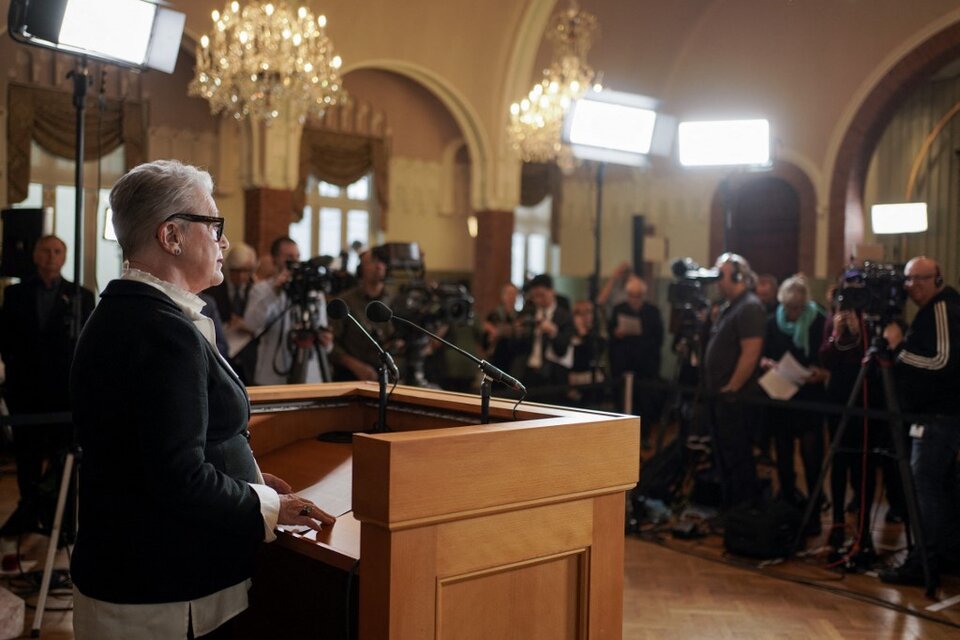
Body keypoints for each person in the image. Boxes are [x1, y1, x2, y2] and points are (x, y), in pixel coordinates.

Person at [69, 159, 334, 640]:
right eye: (214, 226)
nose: (223, 242)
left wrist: (248, 477)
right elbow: (178, 476)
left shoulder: (127, 311)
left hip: (136, 570)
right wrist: (268, 506)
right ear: (171, 236)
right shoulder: (161, 331)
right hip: (164, 590)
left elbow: (155, 444)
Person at [0, 235, 94, 539]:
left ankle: (61, 519)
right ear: (35, 254)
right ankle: (28, 512)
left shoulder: (80, 295)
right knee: (27, 457)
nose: (51, 257)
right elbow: (6, 339)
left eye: (57, 251)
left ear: (64, 257)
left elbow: (85, 344)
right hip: (24, 390)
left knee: (61, 458)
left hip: (62, 393)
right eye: (46, 251)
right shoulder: (15, 294)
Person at [879, 256, 960, 587]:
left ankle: (925, 561)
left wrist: (897, 349)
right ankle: (940, 555)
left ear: (937, 279)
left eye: (920, 279)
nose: (913, 287)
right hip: (932, 415)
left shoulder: (943, 309)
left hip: (937, 418)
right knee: (934, 489)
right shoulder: (931, 310)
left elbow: (942, 361)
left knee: (925, 488)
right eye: (908, 280)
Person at [759, 275, 827, 531]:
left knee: (811, 459)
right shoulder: (773, 322)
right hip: (782, 396)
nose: (792, 313)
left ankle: (814, 514)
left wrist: (818, 372)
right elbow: (765, 354)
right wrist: (767, 364)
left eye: (797, 308)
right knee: (784, 457)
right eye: (788, 307)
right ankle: (787, 508)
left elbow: (825, 357)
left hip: (810, 397)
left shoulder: (818, 320)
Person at [702, 253, 766, 508]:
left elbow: (750, 353)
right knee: (724, 455)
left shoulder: (749, 306)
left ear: (738, 276)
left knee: (737, 455)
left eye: (722, 274)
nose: (717, 280)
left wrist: (732, 388)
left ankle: (743, 508)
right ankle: (731, 507)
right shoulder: (731, 305)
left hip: (734, 398)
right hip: (721, 395)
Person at [244, 237, 332, 385]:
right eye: (289, 257)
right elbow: (251, 324)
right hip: (272, 378)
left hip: (310, 379)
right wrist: (275, 292)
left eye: (297, 256)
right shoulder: (262, 290)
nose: (295, 262)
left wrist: (327, 342)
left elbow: (323, 333)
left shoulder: (314, 293)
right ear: (274, 260)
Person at [608, 275, 664, 446]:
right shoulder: (619, 309)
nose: (634, 299)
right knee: (622, 401)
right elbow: (611, 334)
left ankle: (644, 435)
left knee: (644, 402)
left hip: (645, 366)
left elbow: (659, 339)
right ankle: (621, 435)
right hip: (624, 364)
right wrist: (617, 333)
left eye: (638, 295)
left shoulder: (652, 312)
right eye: (631, 295)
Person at [330, 248, 398, 381]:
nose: (379, 266)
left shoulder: (395, 300)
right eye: (373, 261)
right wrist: (355, 366)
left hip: (389, 373)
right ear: (361, 268)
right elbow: (331, 344)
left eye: (382, 262)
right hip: (351, 376)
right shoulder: (345, 301)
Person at [516, 274, 574, 403]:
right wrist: (519, 332)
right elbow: (516, 348)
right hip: (529, 373)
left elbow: (562, 350)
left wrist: (553, 332)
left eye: (541, 295)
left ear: (552, 291)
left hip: (552, 377)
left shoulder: (563, 316)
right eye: (534, 296)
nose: (538, 300)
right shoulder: (528, 312)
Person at [479, 283, 521, 375]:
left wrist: (498, 332)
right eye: (508, 294)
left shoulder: (520, 317)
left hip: (514, 362)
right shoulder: (494, 316)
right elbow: (485, 342)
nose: (511, 297)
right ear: (502, 296)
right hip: (496, 361)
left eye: (514, 294)